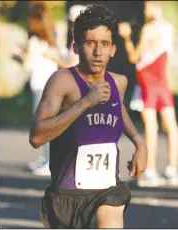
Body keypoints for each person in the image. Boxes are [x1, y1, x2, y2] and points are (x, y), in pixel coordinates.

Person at [29, 4, 148, 228]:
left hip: (107, 191)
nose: (98, 52)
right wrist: (86, 102)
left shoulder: (118, 82)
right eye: (90, 43)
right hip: (67, 196)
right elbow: (36, 137)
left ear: (113, 49)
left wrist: (139, 143)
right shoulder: (62, 81)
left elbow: (118, 110)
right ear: (76, 46)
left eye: (104, 44)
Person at [119, 1, 178, 187]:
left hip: (148, 83)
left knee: (151, 128)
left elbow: (135, 57)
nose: (145, 11)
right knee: (171, 127)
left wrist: (126, 38)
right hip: (162, 82)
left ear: (154, 6)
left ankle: (151, 170)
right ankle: (172, 169)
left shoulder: (149, 29)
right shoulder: (169, 28)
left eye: (147, 6)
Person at [25, 2, 66, 176]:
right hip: (52, 86)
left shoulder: (35, 41)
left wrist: (21, 55)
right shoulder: (52, 41)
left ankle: (50, 162)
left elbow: (28, 65)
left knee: (42, 127)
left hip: (40, 86)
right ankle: (47, 160)